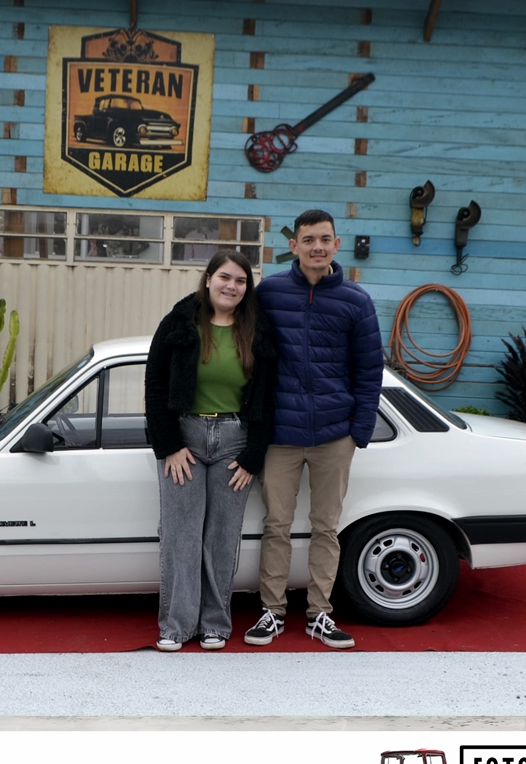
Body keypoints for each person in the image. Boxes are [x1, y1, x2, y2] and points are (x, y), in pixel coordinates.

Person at [245, 209, 384, 649]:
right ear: (294, 245)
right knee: (276, 525)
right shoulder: (269, 293)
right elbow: (246, 348)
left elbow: (369, 371)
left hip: (334, 434)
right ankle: (272, 611)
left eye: (325, 239)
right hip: (280, 435)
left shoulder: (356, 301)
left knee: (326, 527)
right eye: (308, 240)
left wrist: (358, 432)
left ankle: (320, 613)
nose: (317, 247)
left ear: (336, 245)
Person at [145, 250, 279, 652]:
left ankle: (215, 624)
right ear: (208, 279)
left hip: (234, 441)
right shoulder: (178, 324)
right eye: (224, 277)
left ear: (247, 288)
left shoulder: (258, 329)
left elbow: (267, 397)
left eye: (240, 281)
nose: (231, 286)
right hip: (184, 438)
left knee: (222, 537)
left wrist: (254, 456)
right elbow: (155, 386)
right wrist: (169, 445)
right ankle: (176, 625)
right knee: (180, 536)